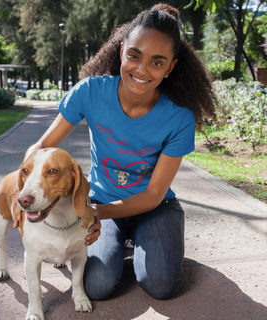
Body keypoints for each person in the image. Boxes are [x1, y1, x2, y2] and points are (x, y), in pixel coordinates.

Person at [14, 2, 216, 301]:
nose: (142, 69)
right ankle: (123, 245)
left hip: (153, 208)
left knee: (161, 285)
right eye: (134, 55)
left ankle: (158, 246)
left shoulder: (179, 118)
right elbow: (42, 146)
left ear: (171, 66)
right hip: (100, 201)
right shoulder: (90, 92)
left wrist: (94, 214)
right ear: (121, 50)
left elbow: (153, 195)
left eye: (157, 62)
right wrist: (24, 187)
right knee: (97, 286)